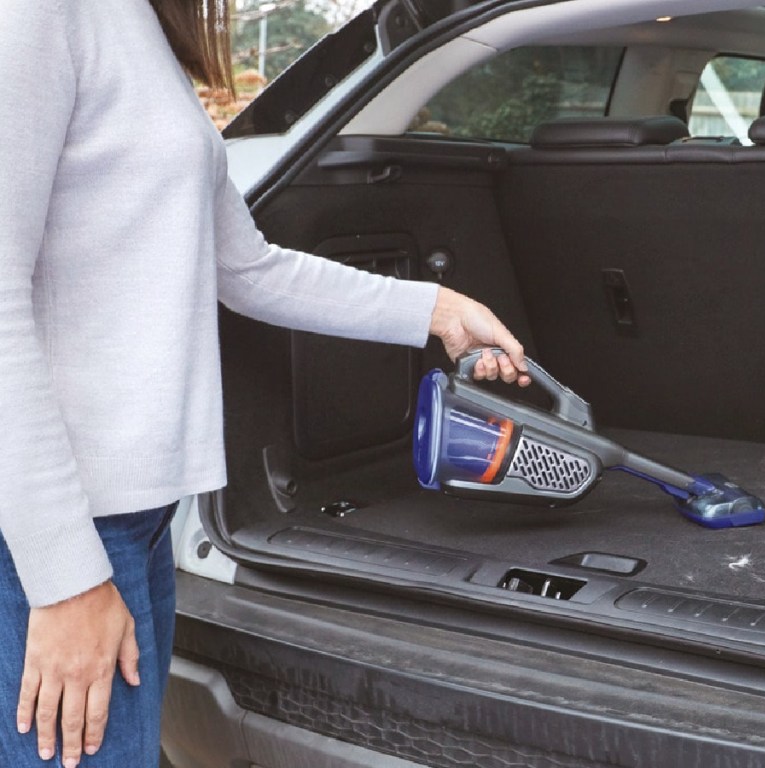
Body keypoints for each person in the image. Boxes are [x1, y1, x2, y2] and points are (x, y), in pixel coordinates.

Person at [0, 1, 530, 766]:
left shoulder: (137, 24)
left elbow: (247, 268)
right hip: (60, 539)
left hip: (135, 525)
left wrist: (435, 311)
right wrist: (64, 579)